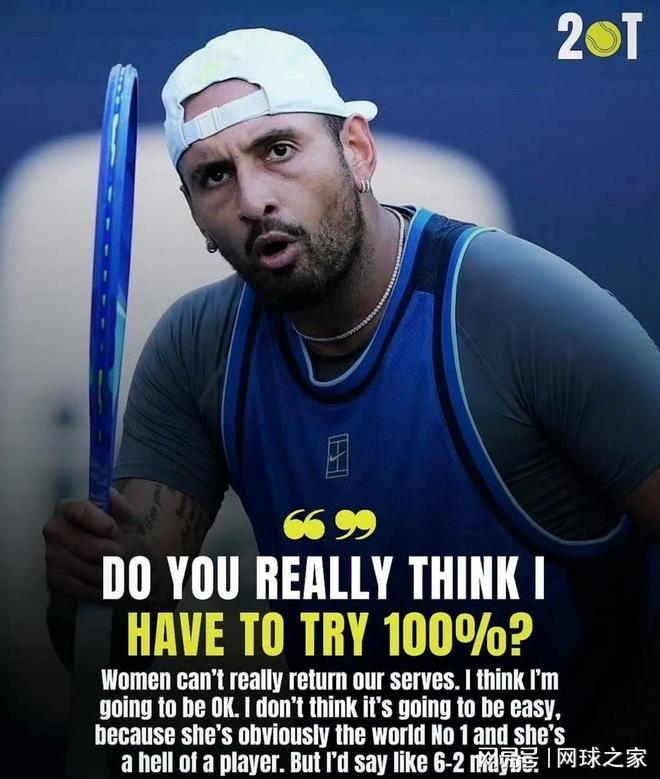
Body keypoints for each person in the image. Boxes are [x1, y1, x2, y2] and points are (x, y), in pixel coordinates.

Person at [45, 27, 660, 761]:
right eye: (213, 176)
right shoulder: (197, 349)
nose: (253, 199)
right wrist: (90, 588)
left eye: (278, 150)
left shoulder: (519, 307)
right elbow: (117, 648)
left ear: (358, 150)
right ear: (196, 215)